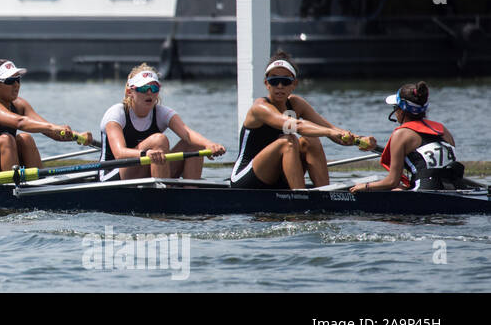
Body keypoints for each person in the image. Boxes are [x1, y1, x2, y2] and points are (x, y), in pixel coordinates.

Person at [230, 52, 366, 189]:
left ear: (294, 84)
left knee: (310, 140)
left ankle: (326, 194)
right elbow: (298, 126)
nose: (279, 86)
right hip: (246, 179)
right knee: (288, 141)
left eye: (285, 81)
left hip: (277, 176)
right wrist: (329, 132)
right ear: (267, 83)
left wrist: (360, 140)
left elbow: (333, 130)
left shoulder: (296, 104)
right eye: (274, 81)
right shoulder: (260, 107)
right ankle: (301, 196)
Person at [0, 59, 90, 178]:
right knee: (5, 140)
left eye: (18, 79)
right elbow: (20, 122)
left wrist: (77, 136)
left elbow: (51, 132)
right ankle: (13, 188)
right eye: (10, 80)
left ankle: (38, 185)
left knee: (25, 139)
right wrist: (53, 127)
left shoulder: (20, 105)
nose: (16, 85)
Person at [99, 63, 225, 181]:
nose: (149, 92)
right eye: (144, 88)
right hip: (113, 173)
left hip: (147, 168)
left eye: (154, 88)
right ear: (130, 92)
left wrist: (209, 144)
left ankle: (190, 191)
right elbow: (119, 153)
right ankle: (162, 191)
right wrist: (146, 154)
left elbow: (187, 134)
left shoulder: (161, 113)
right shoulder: (116, 113)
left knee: (195, 144)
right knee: (159, 140)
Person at [351, 82, 476, 192]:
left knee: (393, 190)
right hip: (456, 188)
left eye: (395, 108)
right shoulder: (443, 130)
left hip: (425, 191)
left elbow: (392, 181)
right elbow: (430, 165)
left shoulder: (401, 134)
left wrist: (365, 186)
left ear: (401, 111)